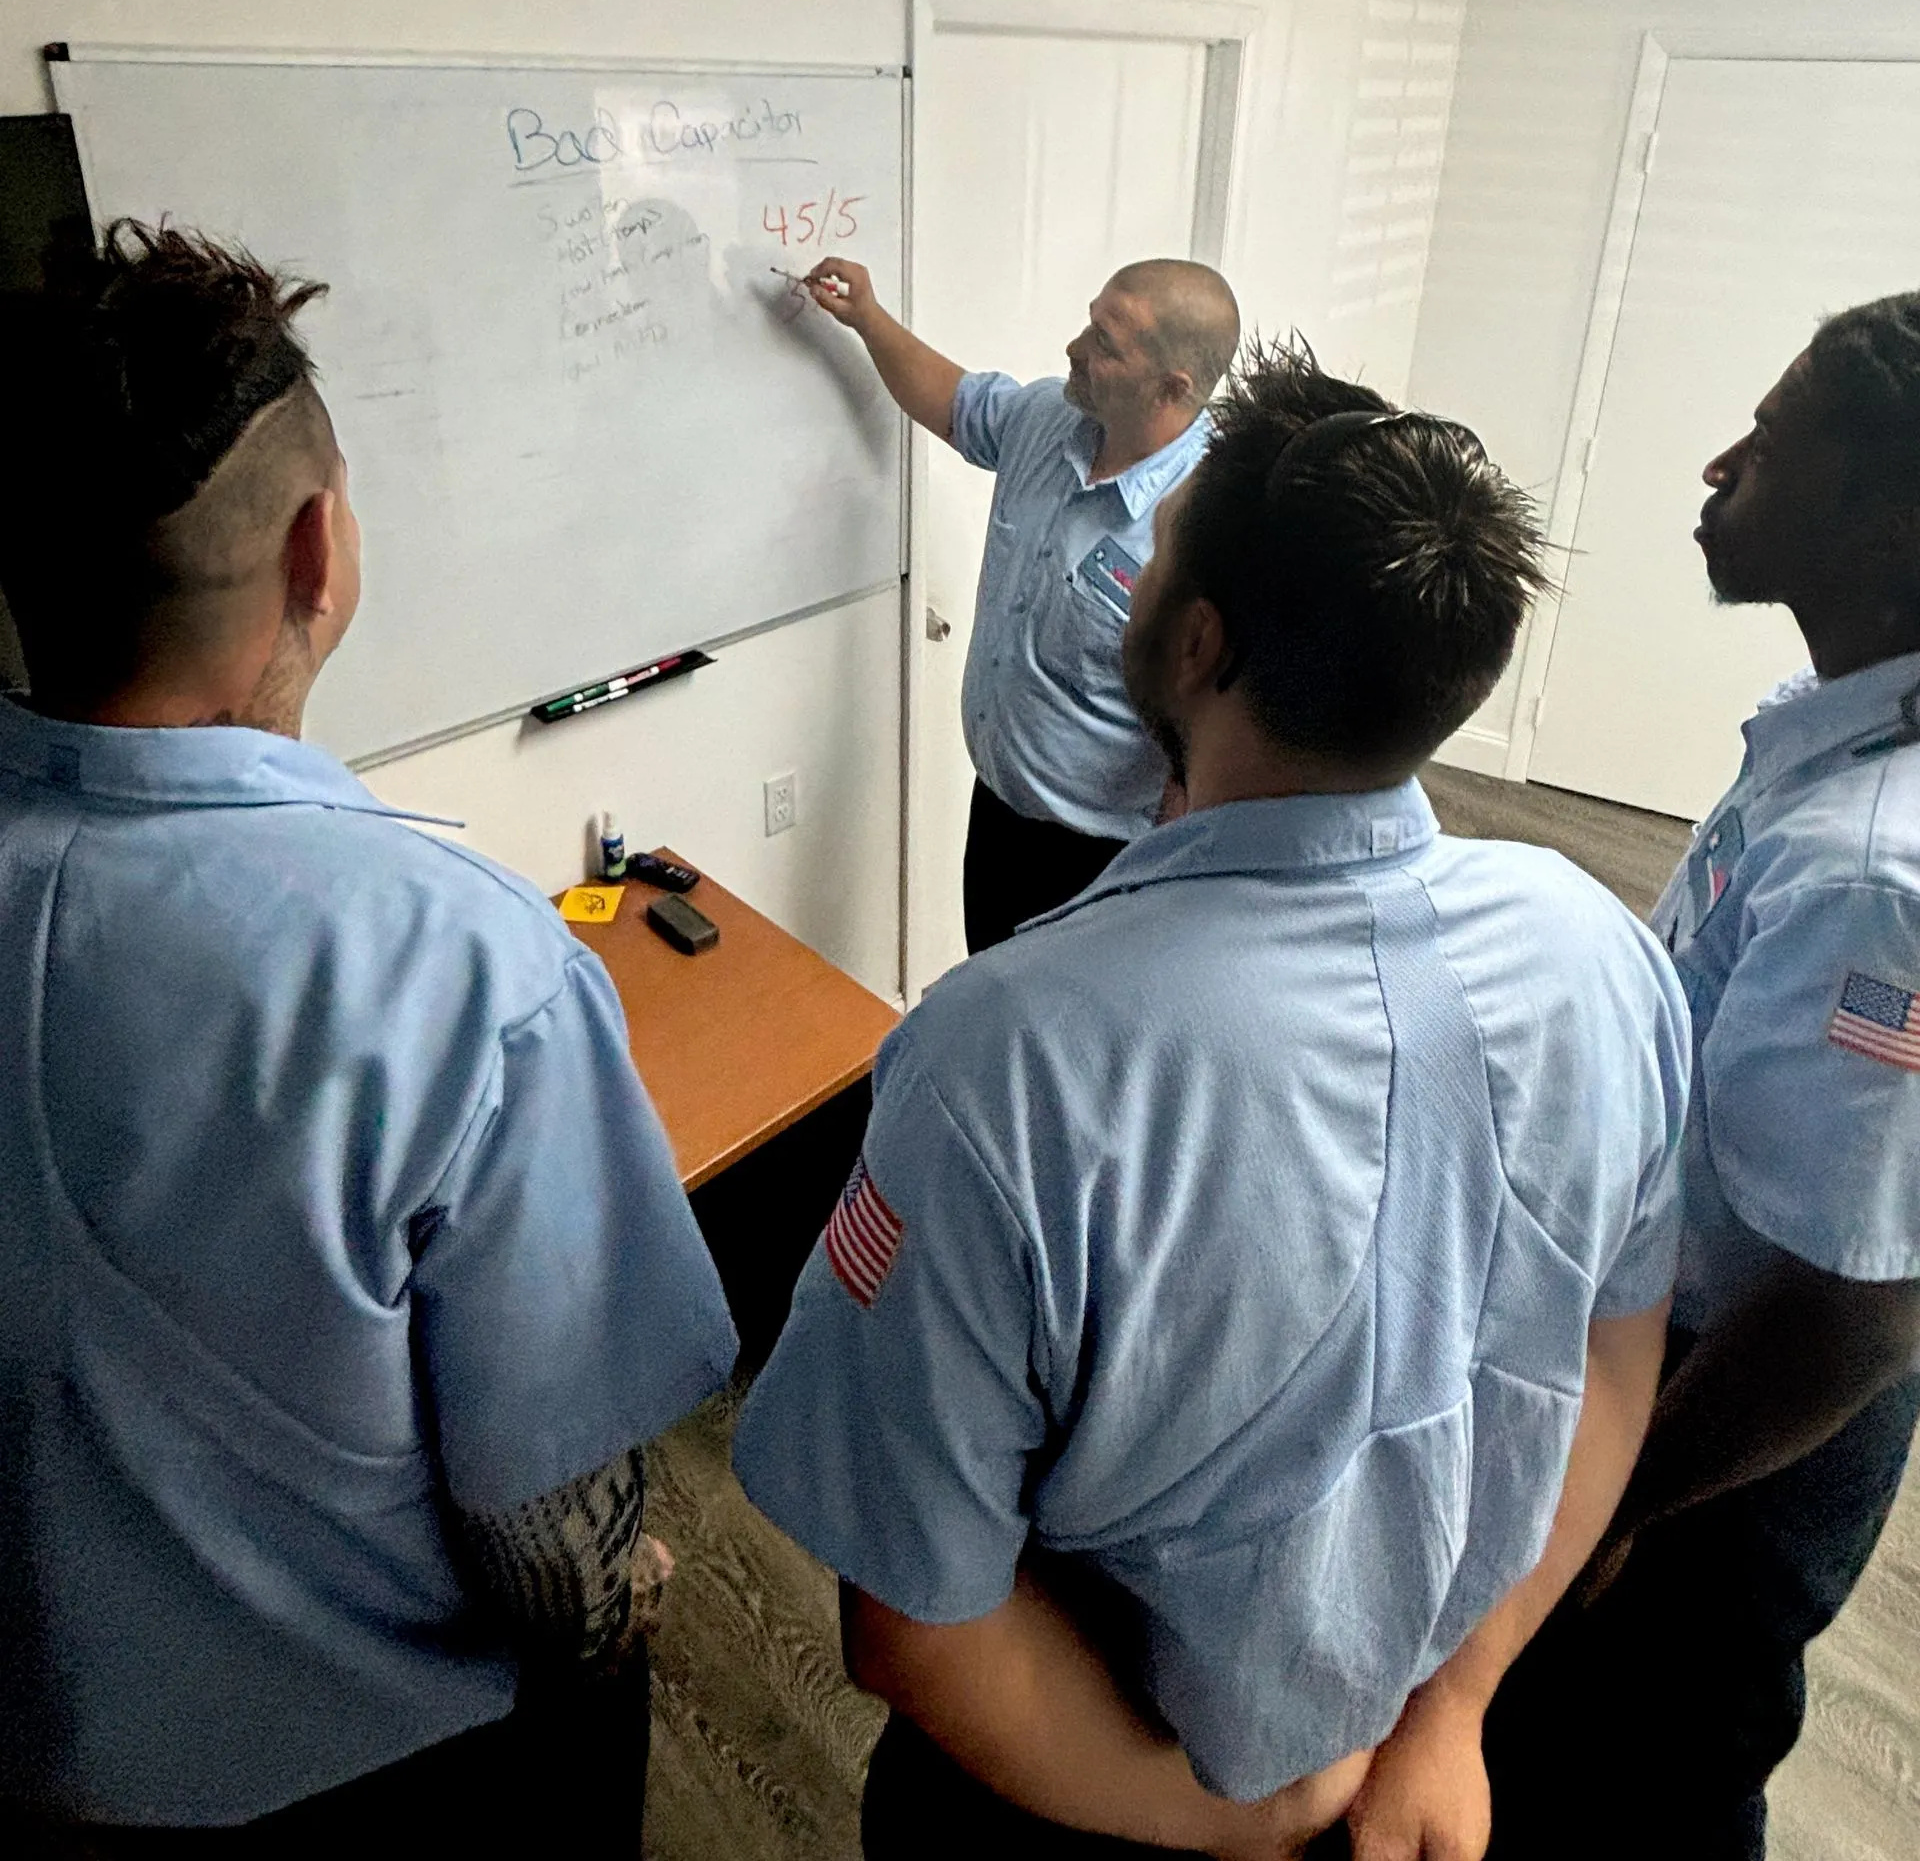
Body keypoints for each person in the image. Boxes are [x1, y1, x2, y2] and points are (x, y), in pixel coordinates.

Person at [734, 341, 1691, 1860]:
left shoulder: (1004, 1059)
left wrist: (1235, 1827)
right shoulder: (1606, 955)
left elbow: (916, 1625)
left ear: (1195, 645)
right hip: (1420, 1771)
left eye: (1157, 550)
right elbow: (1616, 1360)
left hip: (1100, 1793)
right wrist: (1451, 1709)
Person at [0, 224, 737, 1845]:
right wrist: (622, 1611)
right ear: (320, 552)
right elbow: (554, 1528)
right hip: (384, 1774)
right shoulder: (459, 966)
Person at [1483, 294, 1920, 1861]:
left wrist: (1623, 1498)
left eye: (1775, 446)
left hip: (1737, 1432)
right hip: (1691, 1369)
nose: (1724, 465)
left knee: (1644, 1778)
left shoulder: (1879, 874)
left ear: (1887, 528)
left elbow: (1856, 1308)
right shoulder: (1833, 736)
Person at [800, 254, 1240, 950]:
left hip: (1106, 858)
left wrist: (1166, 881)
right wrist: (867, 319)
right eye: (1090, 323)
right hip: (1001, 813)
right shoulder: (1047, 419)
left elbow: (1211, 725)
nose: (1075, 348)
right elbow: (953, 402)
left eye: (1105, 342)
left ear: (1170, 386)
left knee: (1079, 1043)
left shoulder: (1209, 522)